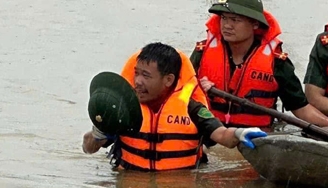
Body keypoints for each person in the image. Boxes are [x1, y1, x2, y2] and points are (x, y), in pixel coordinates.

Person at [82, 42, 268, 171]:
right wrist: (100, 132)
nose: (137, 81)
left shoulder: (191, 107)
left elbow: (221, 135)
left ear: (168, 80)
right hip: (130, 184)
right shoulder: (122, 107)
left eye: (146, 76)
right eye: (136, 73)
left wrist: (239, 134)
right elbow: (88, 148)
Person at [190, 0, 328, 131]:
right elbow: (177, 93)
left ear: (255, 24)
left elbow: (300, 108)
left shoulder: (277, 62)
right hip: (210, 134)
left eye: (235, 20)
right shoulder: (202, 52)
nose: (227, 25)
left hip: (255, 138)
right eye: (224, 18)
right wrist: (198, 89)